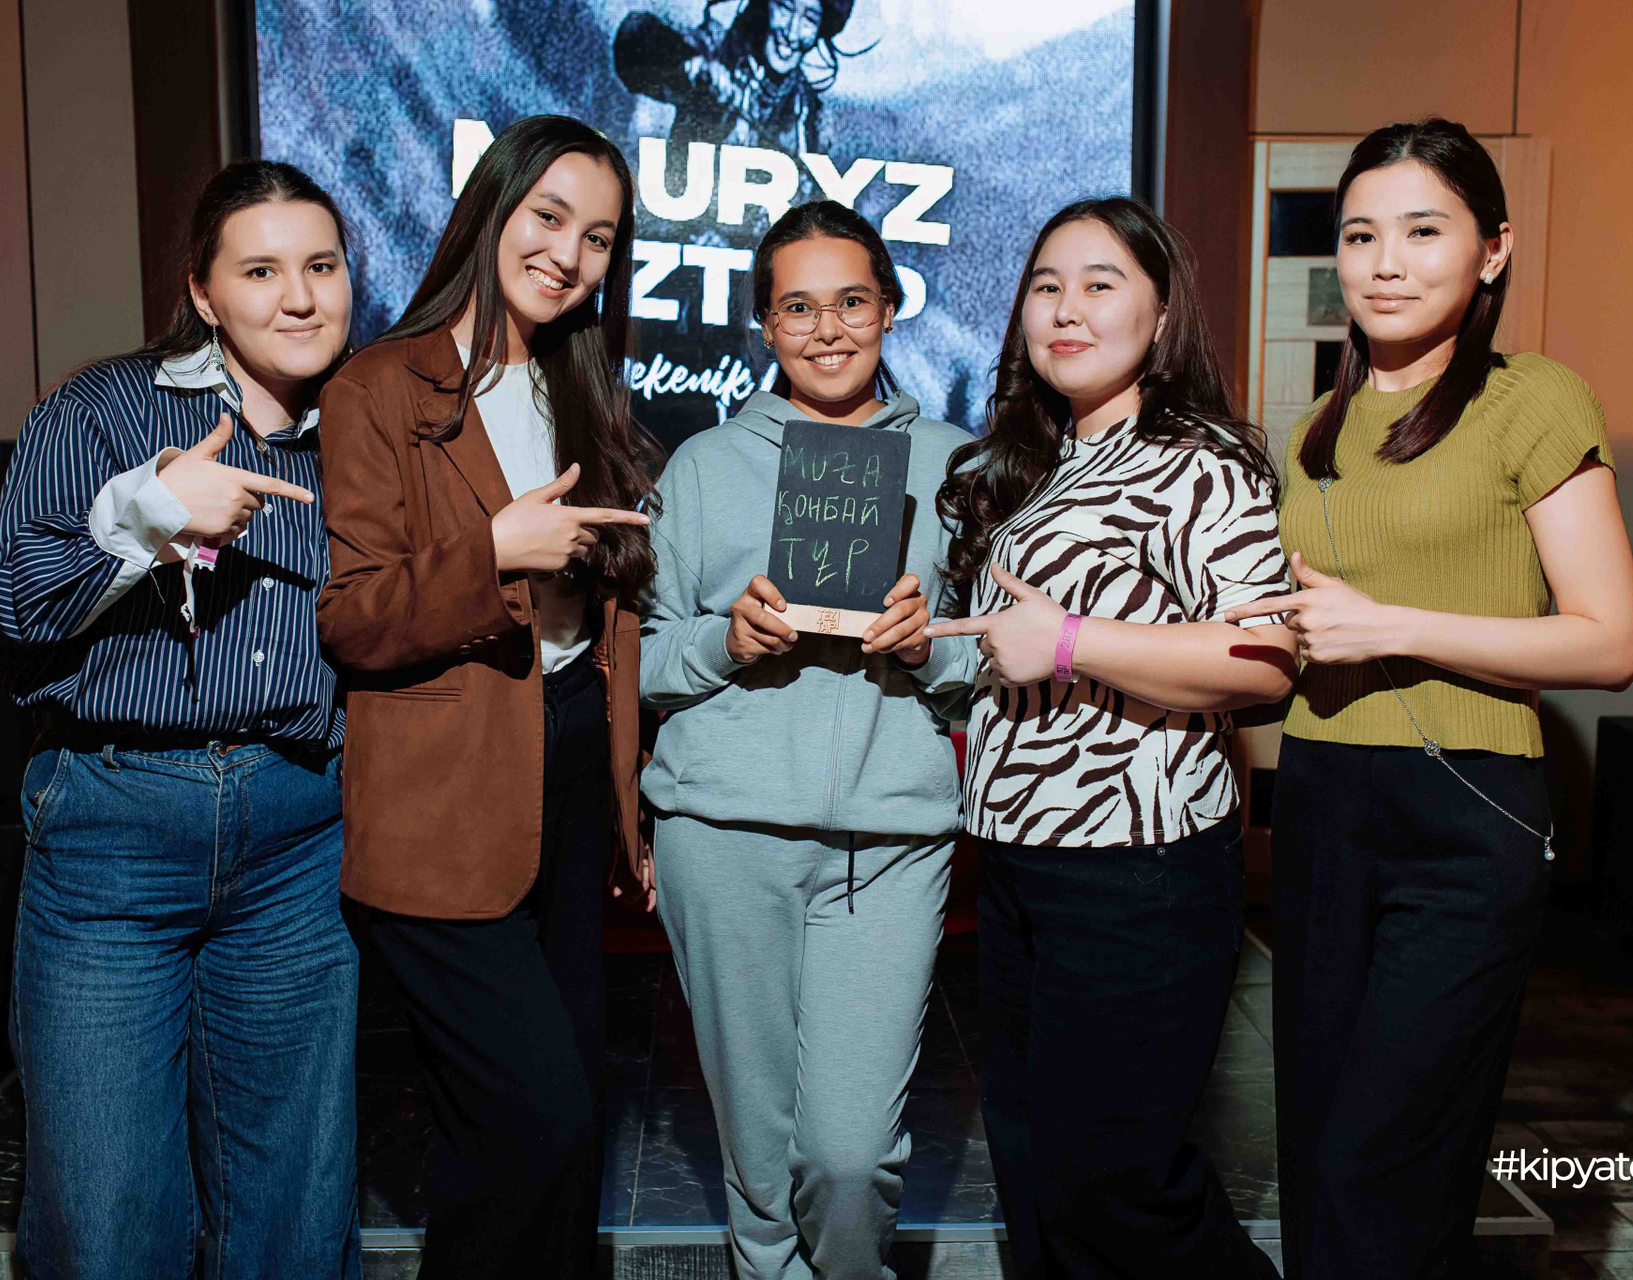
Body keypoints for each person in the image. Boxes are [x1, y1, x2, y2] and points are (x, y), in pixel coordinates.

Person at [1222, 118, 1633, 1279]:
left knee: (1385, 1161)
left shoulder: (1533, 397)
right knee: (1319, 1149)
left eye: (1422, 230)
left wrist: (1390, 626)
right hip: (1321, 801)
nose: (1385, 262)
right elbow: (1307, 630)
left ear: (1493, 249)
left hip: (1466, 815)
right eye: (1361, 235)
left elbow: (1611, 641)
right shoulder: (1314, 428)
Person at [0, 160, 360, 1279]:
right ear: (203, 291)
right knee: (108, 1220)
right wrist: (150, 514)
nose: (301, 298)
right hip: (113, 827)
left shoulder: (368, 426)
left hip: (298, 836)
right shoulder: (102, 408)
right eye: (262, 271)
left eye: (323, 266)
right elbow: (11, 597)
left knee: (293, 1214)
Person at [315, 114, 657, 1279]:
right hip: (442, 798)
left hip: (568, 770)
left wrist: (627, 807)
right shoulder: (377, 386)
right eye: (549, 217)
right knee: (536, 1117)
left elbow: (610, 621)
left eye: (599, 238)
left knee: (545, 1133)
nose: (570, 254)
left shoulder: (583, 386)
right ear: (492, 208)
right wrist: (494, 550)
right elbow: (353, 616)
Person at [927, 197, 1293, 1279]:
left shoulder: (1199, 462)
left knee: (1120, 1184)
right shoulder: (1036, 462)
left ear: (1162, 312)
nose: (1066, 309)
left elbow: (1266, 660)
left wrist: (1071, 641)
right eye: (1046, 286)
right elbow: (1008, 652)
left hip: (1138, 868)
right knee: (1039, 1171)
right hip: (1020, 862)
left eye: (1100, 284)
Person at [639, 199, 977, 1279]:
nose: (827, 329)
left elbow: (993, 662)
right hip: (722, 831)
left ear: (890, 309)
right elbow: (641, 659)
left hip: (890, 840)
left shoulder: (959, 467)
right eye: (797, 307)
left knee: (847, 1154)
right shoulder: (703, 465)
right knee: (759, 1156)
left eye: (851, 302)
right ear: (765, 325)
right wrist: (725, 639)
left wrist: (929, 648)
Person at [614, 0, 857, 156]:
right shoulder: (716, 50)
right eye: (785, 8)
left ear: (821, 29)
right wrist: (692, 65)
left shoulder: (809, 115)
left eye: (809, 20)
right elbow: (633, 40)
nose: (792, 32)